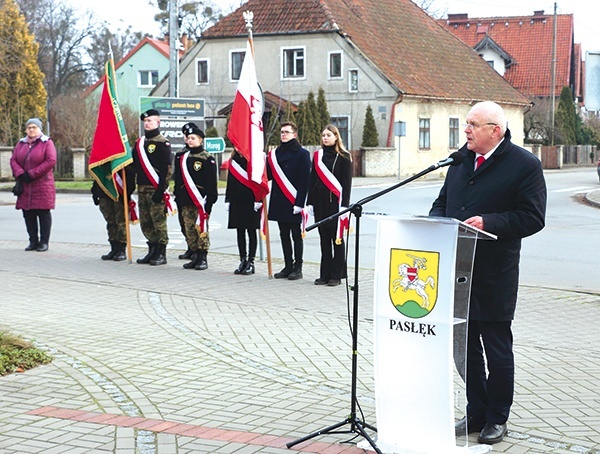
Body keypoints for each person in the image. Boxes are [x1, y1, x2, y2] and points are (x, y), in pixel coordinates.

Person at [429, 101, 547, 445]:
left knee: (496, 348)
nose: (465, 130)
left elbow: (533, 217)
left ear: (495, 130)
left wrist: (489, 222)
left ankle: (498, 417)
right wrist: (437, 223)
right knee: (463, 348)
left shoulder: (525, 165)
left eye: (473, 124)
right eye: (466, 123)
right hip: (457, 269)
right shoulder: (460, 160)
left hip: (495, 273)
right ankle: (476, 412)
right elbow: (442, 203)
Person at [307, 125, 353, 287]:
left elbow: (346, 184)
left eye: (328, 135)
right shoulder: (318, 156)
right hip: (320, 203)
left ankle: (337, 275)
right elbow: (312, 180)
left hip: (336, 204)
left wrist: (344, 207)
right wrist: (310, 202)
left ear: (336, 137)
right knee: (324, 240)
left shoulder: (344, 156)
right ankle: (324, 274)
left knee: (337, 239)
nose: (325, 138)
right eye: (323, 135)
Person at [266, 121, 311, 280]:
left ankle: (298, 268)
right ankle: (288, 265)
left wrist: (300, 203)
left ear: (295, 134)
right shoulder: (275, 153)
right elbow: (269, 175)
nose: (283, 135)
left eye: (287, 132)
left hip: (293, 201)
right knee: (283, 234)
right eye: (282, 132)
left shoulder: (302, 154)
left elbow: (304, 181)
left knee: (296, 236)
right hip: (279, 200)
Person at [173, 123, 218, 270]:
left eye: (193, 138)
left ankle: (203, 257)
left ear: (201, 140)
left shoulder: (207, 158)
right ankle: (194, 255)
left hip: (201, 201)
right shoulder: (183, 157)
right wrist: (177, 197)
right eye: (189, 138)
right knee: (189, 229)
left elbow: (211, 182)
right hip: (185, 199)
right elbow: (178, 179)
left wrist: (210, 201)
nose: (190, 140)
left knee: (201, 229)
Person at [10, 118, 57, 252]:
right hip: (25, 184)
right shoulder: (21, 144)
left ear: (39, 129)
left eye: (34, 127)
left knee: (43, 213)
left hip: (42, 184)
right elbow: (13, 160)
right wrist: (20, 173)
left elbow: (51, 161)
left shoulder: (47, 143)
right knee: (28, 212)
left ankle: (44, 242)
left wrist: (32, 174)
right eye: (29, 127)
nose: (31, 130)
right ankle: (32, 241)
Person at [133, 109, 173, 266]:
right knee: (146, 222)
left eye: (150, 120)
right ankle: (152, 250)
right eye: (145, 121)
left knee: (158, 223)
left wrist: (161, 189)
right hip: (142, 188)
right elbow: (134, 165)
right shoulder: (140, 143)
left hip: (155, 189)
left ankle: (161, 254)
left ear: (158, 122)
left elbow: (167, 169)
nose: (147, 123)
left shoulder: (163, 143)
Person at [225, 148, 264, 275]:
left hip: (251, 200)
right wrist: (227, 199)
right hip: (237, 200)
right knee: (240, 230)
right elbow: (230, 181)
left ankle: (251, 262)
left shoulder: (253, 160)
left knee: (251, 231)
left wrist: (259, 199)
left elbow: (259, 180)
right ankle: (242, 259)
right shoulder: (233, 160)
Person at [91, 165, 135, 261]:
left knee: (121, 222)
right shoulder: (103, 156)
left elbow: (130, 174)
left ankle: (121, 249)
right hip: (104, 192)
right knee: (110, 222)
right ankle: (114, 248)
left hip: (119, 193)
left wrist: (127, 193)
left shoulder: (122, 153)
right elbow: (99, 174)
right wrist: (94, 191)